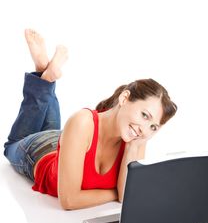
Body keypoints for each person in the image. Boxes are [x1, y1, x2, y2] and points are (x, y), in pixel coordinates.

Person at [3, 29, 177, 210]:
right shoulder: (83, 122)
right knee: (11, 145)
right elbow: (69, 201)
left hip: (68, 141)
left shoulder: (138, 140)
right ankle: (44, 76)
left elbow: (126, 196)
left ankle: (44, 75)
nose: (145, 129)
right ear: (124, 98)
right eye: (144, 115)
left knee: (52, 125)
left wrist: (134, 146)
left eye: (153, 127)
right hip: (38, 150)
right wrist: (114, 192)